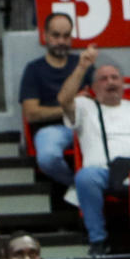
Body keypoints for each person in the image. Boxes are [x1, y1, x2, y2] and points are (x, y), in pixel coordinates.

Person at [61, 51, 130, 251]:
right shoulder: (84, 106)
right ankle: (98, 241)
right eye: (103, 78)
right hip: (101, 172)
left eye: (115, 77)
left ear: (123, 84)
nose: (110, 82)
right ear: (93, 87)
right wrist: (82, 67)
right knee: (85, 177)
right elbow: (64, 100)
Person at [21, 11, 80, 187]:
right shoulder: (33, 70)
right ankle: (77, 186)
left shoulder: (83, 65)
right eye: (56, 35)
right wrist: (68, 109)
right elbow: (31, 113)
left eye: (66, 36)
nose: (61, 41)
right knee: (48, 158)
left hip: (85, 125)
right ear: (45, 36)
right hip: (52, 129)